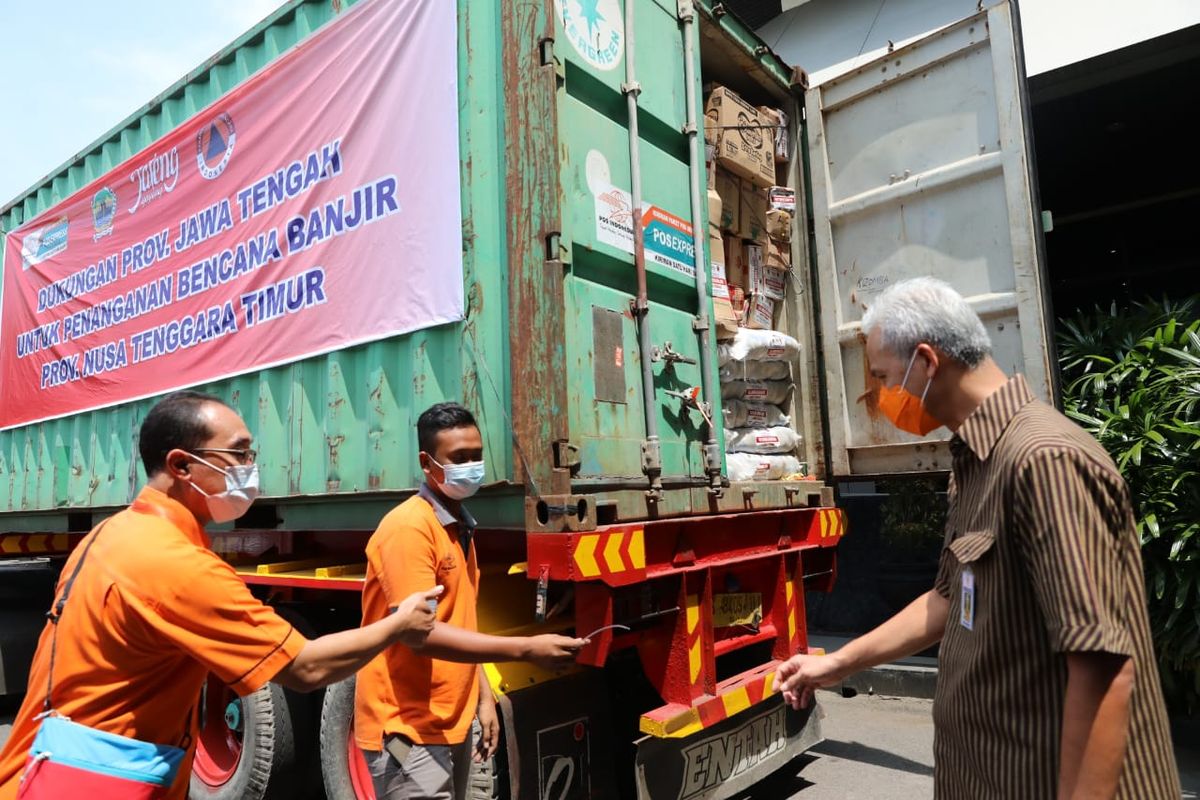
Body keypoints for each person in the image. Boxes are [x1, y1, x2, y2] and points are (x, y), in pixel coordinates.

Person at [775, 278, 1180, 799]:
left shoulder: (1043, 460)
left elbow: (1102, 668)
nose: (877, 397)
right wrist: (835, 663)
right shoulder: (975, 462)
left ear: (925, 362)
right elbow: (947, 600)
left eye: (882, 376)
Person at [0, 390, 442, 800]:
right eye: (238, 454)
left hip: (45, 763)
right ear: (181, 465)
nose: (250, 466)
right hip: (102, 782)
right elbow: (306, 667)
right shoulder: (177, 564)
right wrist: (398, 624)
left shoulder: (110, 534)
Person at [355, 402, 587, 800]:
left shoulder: (459, 526)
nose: (471, 466)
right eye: (458, 458)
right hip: (405, 732)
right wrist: (527, 648)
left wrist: (482, 697)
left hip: (451, 723)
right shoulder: (409, 529)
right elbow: (420, 635)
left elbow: (460, 621)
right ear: (428, 464)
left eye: (476, 456)